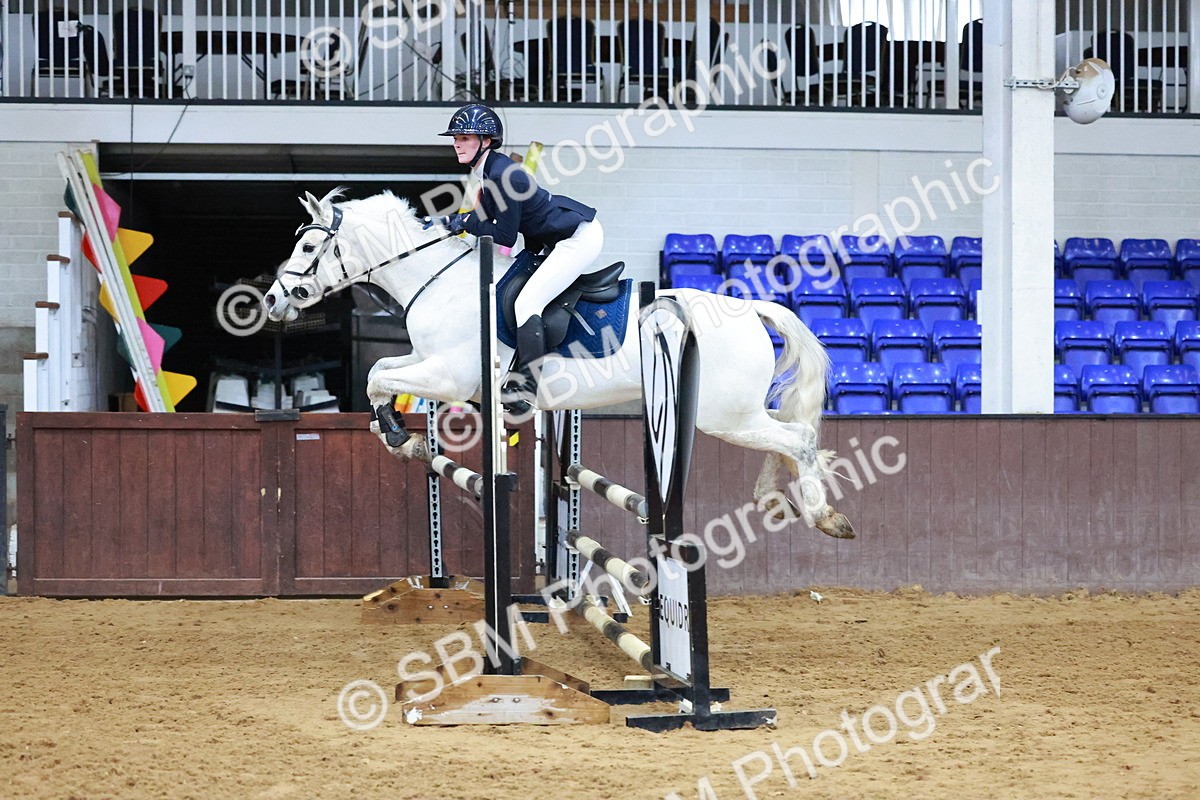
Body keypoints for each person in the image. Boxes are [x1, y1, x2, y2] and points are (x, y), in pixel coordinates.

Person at [423, 103, 603, 406]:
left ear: (486, 141)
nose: (457, 143)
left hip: (577, 238)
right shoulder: (489, 171)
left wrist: (464, 221)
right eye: (455, 138)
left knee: (527, 302)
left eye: (465, 137)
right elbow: (484, 216)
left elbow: (505, 235)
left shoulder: (502, 175)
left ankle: (526, 389)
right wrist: (447, 221)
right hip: (553, 238)